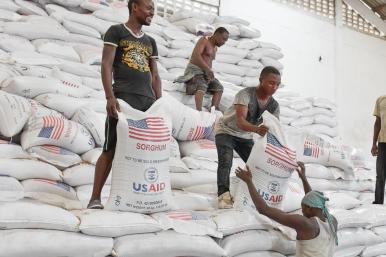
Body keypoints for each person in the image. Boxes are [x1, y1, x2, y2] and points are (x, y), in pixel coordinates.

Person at [87, 0, 161, 209]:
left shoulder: (151, 41)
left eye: (153, 10)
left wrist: (159, 103)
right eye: (148, 8)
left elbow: (155, 75)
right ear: (134, 7)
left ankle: (136, 199)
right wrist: (110, 97)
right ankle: (94, 198)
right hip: (123, 99)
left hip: (147, 102)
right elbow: (106, 64)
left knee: (143, 151)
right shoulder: (116, 31)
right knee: (111, 147)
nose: (151, 13)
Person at [236, 163, 338, 257]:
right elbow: (313, 200)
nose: (302, 213)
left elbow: (264, 209)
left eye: (303, 209)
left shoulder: (306, 224)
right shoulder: (332, 220)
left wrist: (249, 181)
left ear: (309, 208)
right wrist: (303, 179)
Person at [215, 66, 281, 209]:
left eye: (277, 84)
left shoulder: (274, 105)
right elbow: (240, 121)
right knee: (226, 160)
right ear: (261, 80)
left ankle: (256, 194)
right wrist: (257, 129)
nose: (274, 87)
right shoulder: (245, 94)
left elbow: (275, 129)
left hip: (245, 136)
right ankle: (223, 195)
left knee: (258, 164)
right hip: (226, 130)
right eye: (271, 83)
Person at [175, 27, 229, 111]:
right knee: (201, 85)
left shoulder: (215, 48)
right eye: (223, 39)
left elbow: (208, 62)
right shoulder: (204, 40)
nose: (224, 42)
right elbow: (195, 57)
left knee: (219, 87)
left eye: (226, 41)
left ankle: (214, 111)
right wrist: (207, 69)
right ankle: (199, 113)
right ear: (217, 35)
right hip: (195, 70)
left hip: (205, 73)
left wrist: (208, 72)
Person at [372, 95, 386, 204]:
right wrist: (374, 143)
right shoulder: (381, 100)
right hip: (383, 143)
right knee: (380, 174)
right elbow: (377, 123)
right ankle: (378, 201)